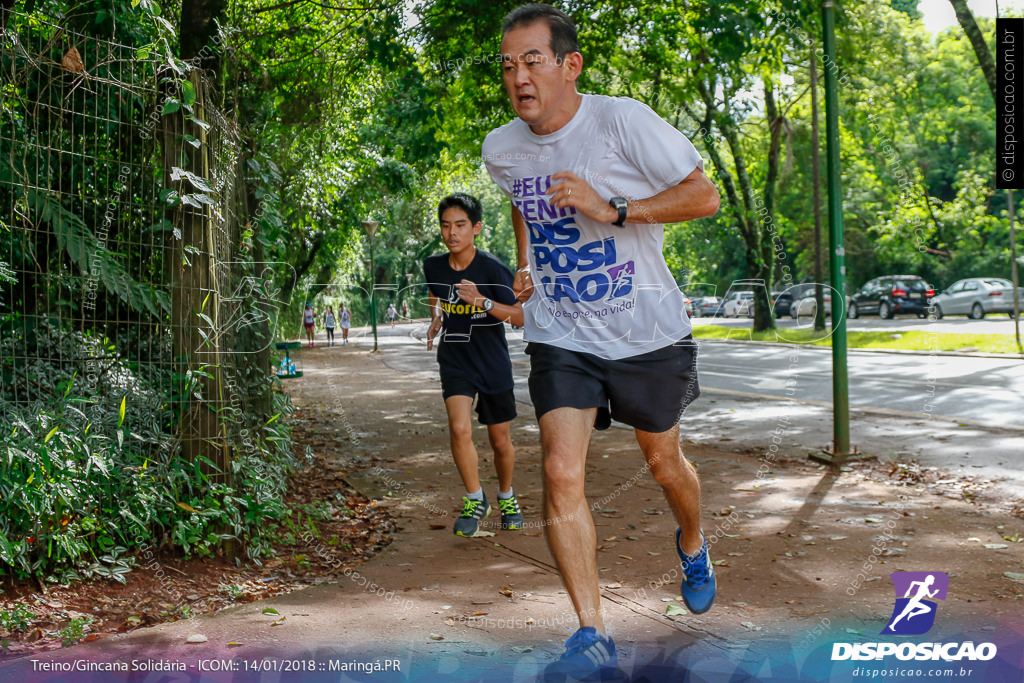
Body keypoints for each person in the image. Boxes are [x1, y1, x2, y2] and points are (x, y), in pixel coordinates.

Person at [482, 4, 721, 678]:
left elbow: (704, 196)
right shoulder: (501, 148)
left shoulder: (621, 122)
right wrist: (524, 260)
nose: (518, 76)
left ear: (569, 65)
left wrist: (613, 208)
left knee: (664, 463)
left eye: (532, 60)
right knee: (559, 471)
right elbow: (520, 195)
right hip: (563, 332)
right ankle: (591, 631)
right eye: (507, 66)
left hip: (645, 329)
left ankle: (694, 540)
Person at [423, 193, 526, 538]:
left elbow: (520, 317)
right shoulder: (433, 265)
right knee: (459, 428)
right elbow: (434, 295)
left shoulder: (493, 269)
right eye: (446, 225)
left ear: (476, 228)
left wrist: (482, 300)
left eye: (460, 225)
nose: (452, 233)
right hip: (455, 359)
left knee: (500, 441)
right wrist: (436, 318)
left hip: (492, 362)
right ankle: (474, 498)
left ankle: (507, 496)